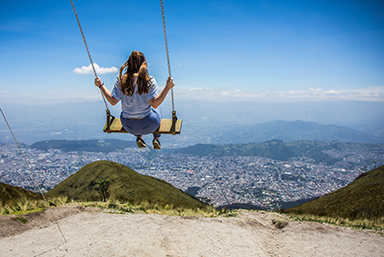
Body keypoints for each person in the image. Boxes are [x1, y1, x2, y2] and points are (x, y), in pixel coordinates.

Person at [94, 51, 175, 150]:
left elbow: (113, 101)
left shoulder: (121, 80)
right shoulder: (149, 80)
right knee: (158, 107)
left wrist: (101, 86)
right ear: (144, 64)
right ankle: (156, 138)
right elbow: (154, 104)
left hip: (128, 126)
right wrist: (167, 87)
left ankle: (138, 137)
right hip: (149, 125)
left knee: (126, 113)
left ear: (128, 64)